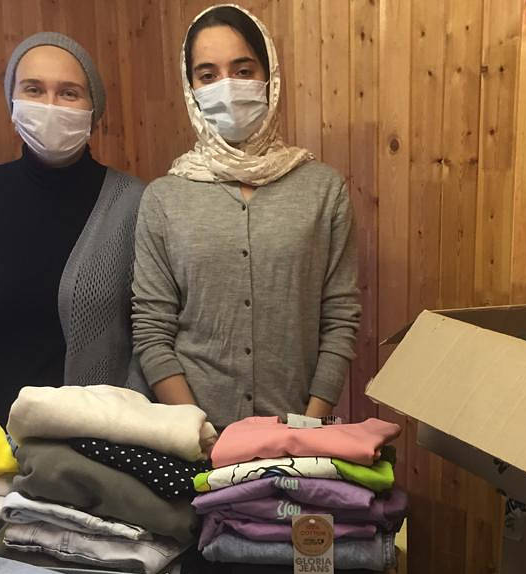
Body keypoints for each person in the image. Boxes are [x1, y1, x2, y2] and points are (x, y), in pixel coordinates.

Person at [132, 4, 360, 431]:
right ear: (191, 88)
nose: (227, 87)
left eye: (242, 70)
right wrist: (199, 434)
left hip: (297, 433)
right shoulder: (164, 198)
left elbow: (339, 318)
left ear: (268, 76)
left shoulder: (323, 190)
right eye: (208, 75)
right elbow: (152, 329)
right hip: (195, 438)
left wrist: (306, 429)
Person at [0, 33, 146, 426]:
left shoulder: (133, 203)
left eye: (69, 93)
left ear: (93, 109)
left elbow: (147, 337)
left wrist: (122, 429)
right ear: (12, 102)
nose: (50, 105)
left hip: (95, 445)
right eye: (33, 89)